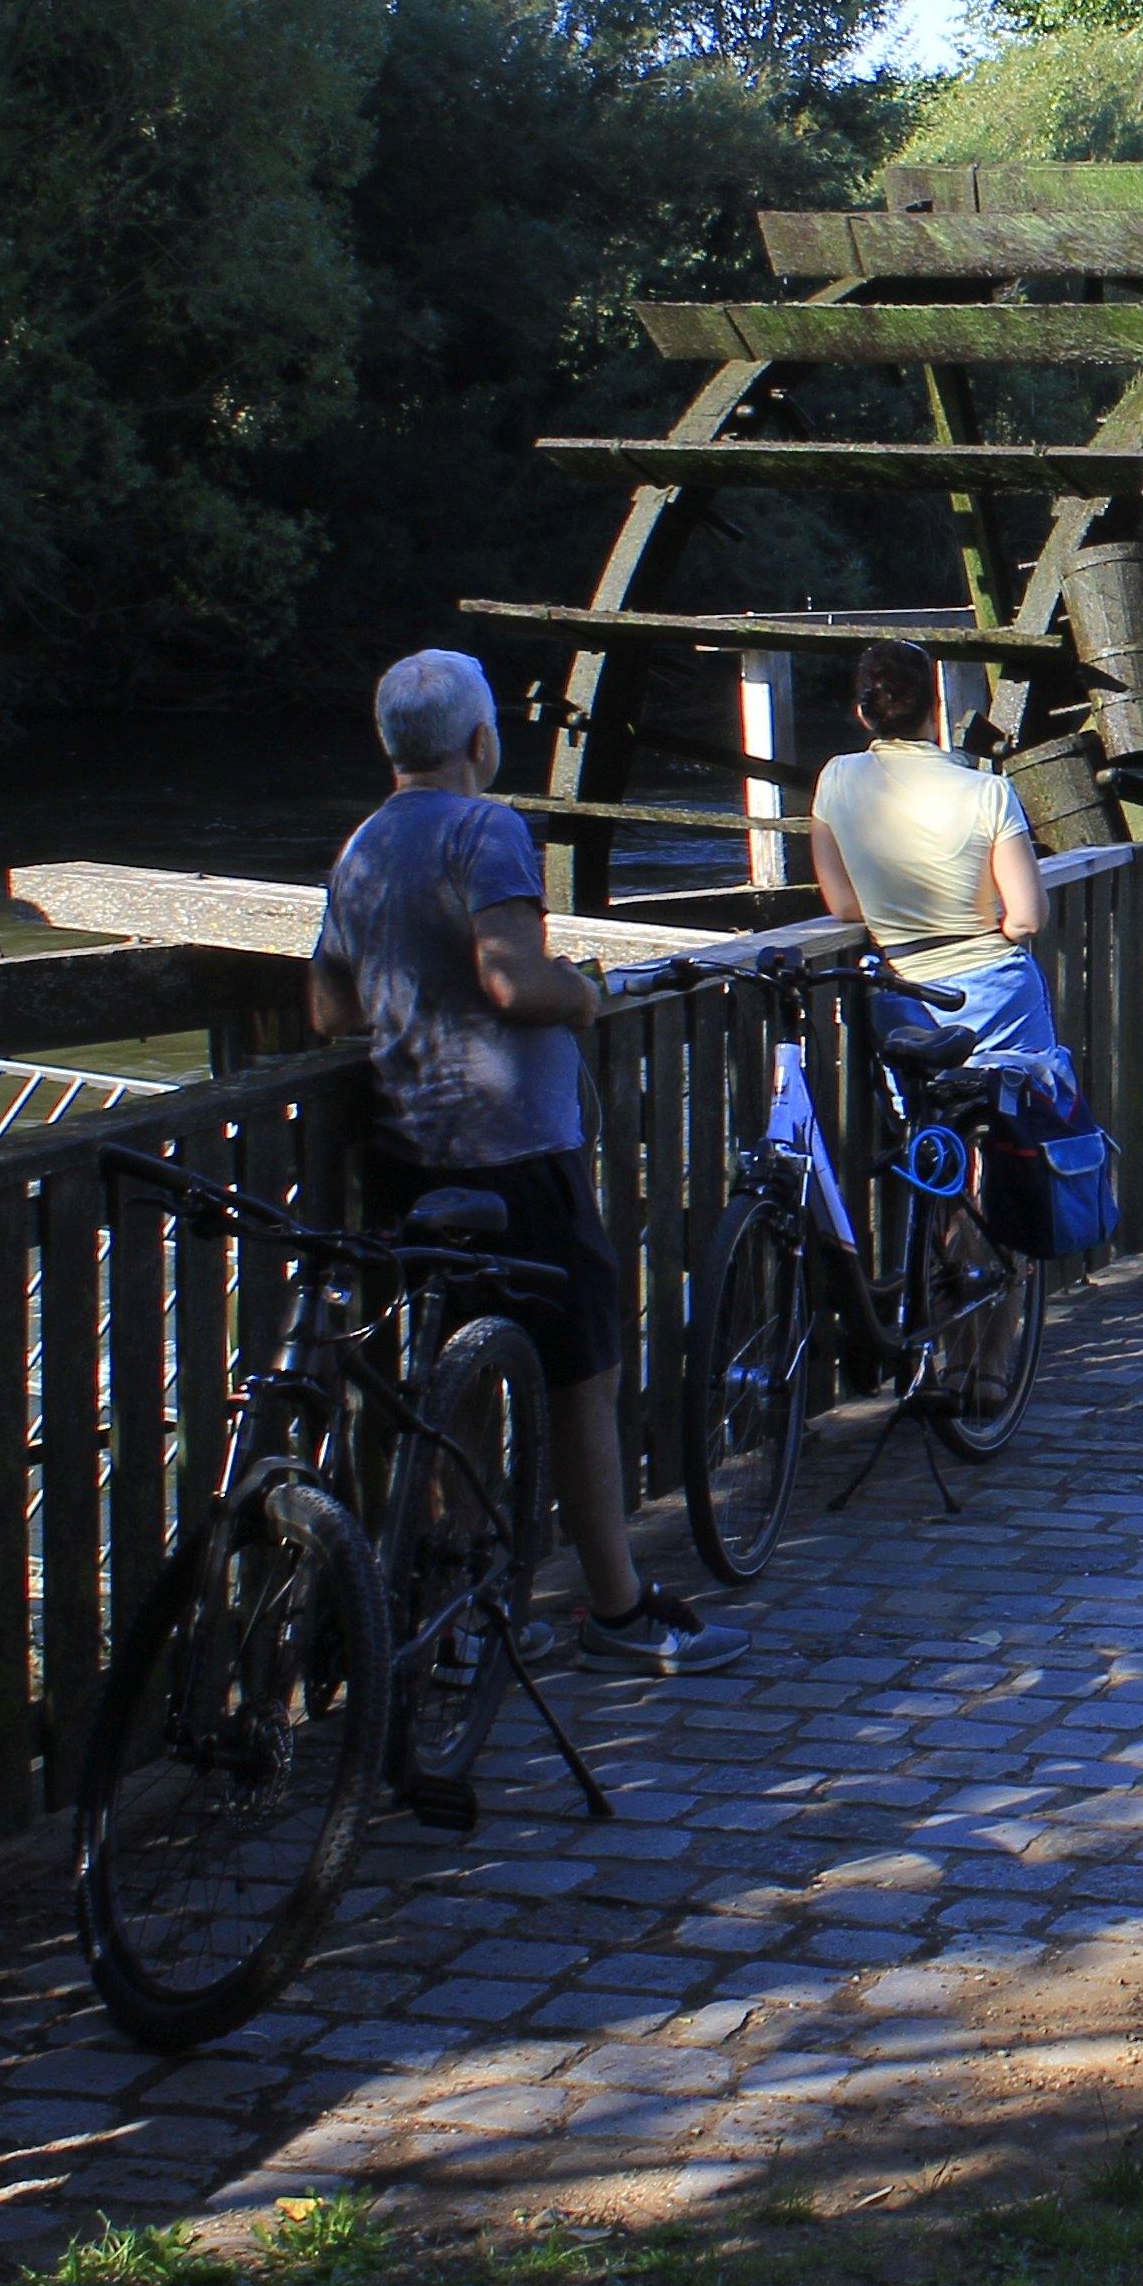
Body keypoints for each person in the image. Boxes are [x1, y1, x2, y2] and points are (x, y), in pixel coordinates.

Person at [311, 652, 744, 1678]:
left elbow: (330, 1010)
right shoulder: (485, 828)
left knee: (448, 1386)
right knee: (578, 1381)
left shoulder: (361, 846)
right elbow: (513, 984)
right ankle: (617, 1610)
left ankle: (454, 1620)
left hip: (409, 1155)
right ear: (480, 742)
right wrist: (581, 993)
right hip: (516, 1158)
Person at [806, 640, 1063, 1060]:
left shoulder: (835, 778)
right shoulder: (990, 791)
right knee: (1027, 1110)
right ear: (936, 708)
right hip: (994, 985)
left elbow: (844, 905)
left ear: (863, 712)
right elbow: (1027, 919)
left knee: (928, 1116)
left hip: (905, 991)